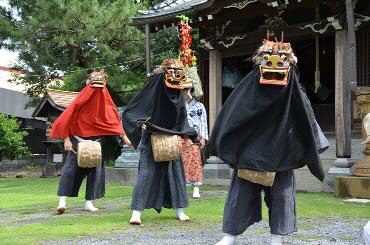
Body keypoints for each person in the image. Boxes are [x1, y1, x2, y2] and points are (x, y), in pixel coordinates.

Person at [207, 37, 329, 245]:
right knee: (241, 194)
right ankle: (230, 236)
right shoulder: (248, 87)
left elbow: (305, 118)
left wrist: (308, 147)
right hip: (250, 153)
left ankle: (276, 238)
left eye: (281, 62)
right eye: (268, 61)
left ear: (289, 65)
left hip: (281, 153)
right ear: (260, 63)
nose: (274, 66)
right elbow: (233, 115)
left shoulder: (293, 90)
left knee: (281, 197)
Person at [122, 59, 197, 225]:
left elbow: (181, 117)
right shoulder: (154, 86)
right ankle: (136, 213)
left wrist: (187, 136)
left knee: (176, 174)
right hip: (152, 137)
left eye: (179, 71)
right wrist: (139, 123)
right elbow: (133, 110)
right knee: (146, 174)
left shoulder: (177, 92)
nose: (176, 74)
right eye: (172, 71)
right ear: (165, 72)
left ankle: (180, 210)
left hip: (171, 139)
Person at [50, 70, 130, 214]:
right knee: (70, 171)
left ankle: (89, 202)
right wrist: (66, 139)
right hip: (77, 142)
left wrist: (124, 138)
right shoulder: (80, 102)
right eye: (94, 87)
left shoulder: (106, 104)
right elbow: (66, 119)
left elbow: (113, 121)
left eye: (100, 87)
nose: (97, 91)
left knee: (95, 173)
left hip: (95, 143)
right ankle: (62, 201)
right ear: (88, 85)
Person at [178, 88, 208, 198]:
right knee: (181, 161)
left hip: (195, 136)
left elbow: (203, 122)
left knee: (196, 160)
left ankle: (196, 187)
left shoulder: (199, 106)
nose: (185, 93)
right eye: (183, 91)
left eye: (186, 91)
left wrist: (203, 138)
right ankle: (182, 186)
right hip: (181, 136)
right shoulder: (179, 105)